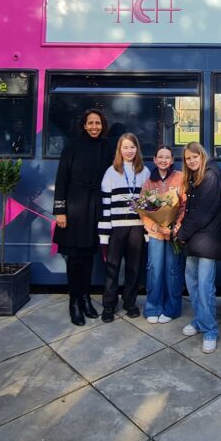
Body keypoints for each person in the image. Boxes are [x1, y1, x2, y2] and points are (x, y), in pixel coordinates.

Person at [53, 109, 111, 326]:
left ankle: (86, 298)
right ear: (84, 125)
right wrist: (60, 210)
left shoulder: (106, 146)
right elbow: (61, 179)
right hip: (74, 206)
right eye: (91, 123)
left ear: (102, 125)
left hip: (95, 206)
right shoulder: (72, 146)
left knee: (88, 256)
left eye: (98, 123)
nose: (94, 127)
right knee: (74, 257)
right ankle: (74, 302)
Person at [173, 142, 221, 353]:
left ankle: (210, 330)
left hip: (207, 240)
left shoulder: (210, 176)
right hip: (194, 239)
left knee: (205, 287)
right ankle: (201, 320)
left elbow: (202, 214)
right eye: (188, 158)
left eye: (195, 157)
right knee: (192, 283)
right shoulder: (195, 177)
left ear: (202, 156)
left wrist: (181, 234)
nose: (192, 161)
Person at [99, 133, 150, 322]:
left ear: (137, 149)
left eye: (132, 147)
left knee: (133, 268)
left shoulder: (144, 172)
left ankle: (130, 302)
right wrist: (104, 233)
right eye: (125, 147)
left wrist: (146, 231)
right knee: (112, 268)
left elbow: (148, 206)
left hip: (136, 227)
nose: (129, 151)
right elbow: (105, 206)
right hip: (116, 228)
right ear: (119, 150)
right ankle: (109, 305)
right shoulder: (111, 172)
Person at [139, 145, 184, 324]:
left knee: (173, 270)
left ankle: (172, 309)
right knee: (154, 269)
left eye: (167, 157)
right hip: (156, 234)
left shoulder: (180, 177)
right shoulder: (149, 182)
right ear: (155, 160)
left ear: (172, 160)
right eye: (160, 157)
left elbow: (184, 206)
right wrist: (157, 228)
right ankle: (153, 307)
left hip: (173, 234)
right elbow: (143, 210)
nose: (164, 160)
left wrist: (176, 226)